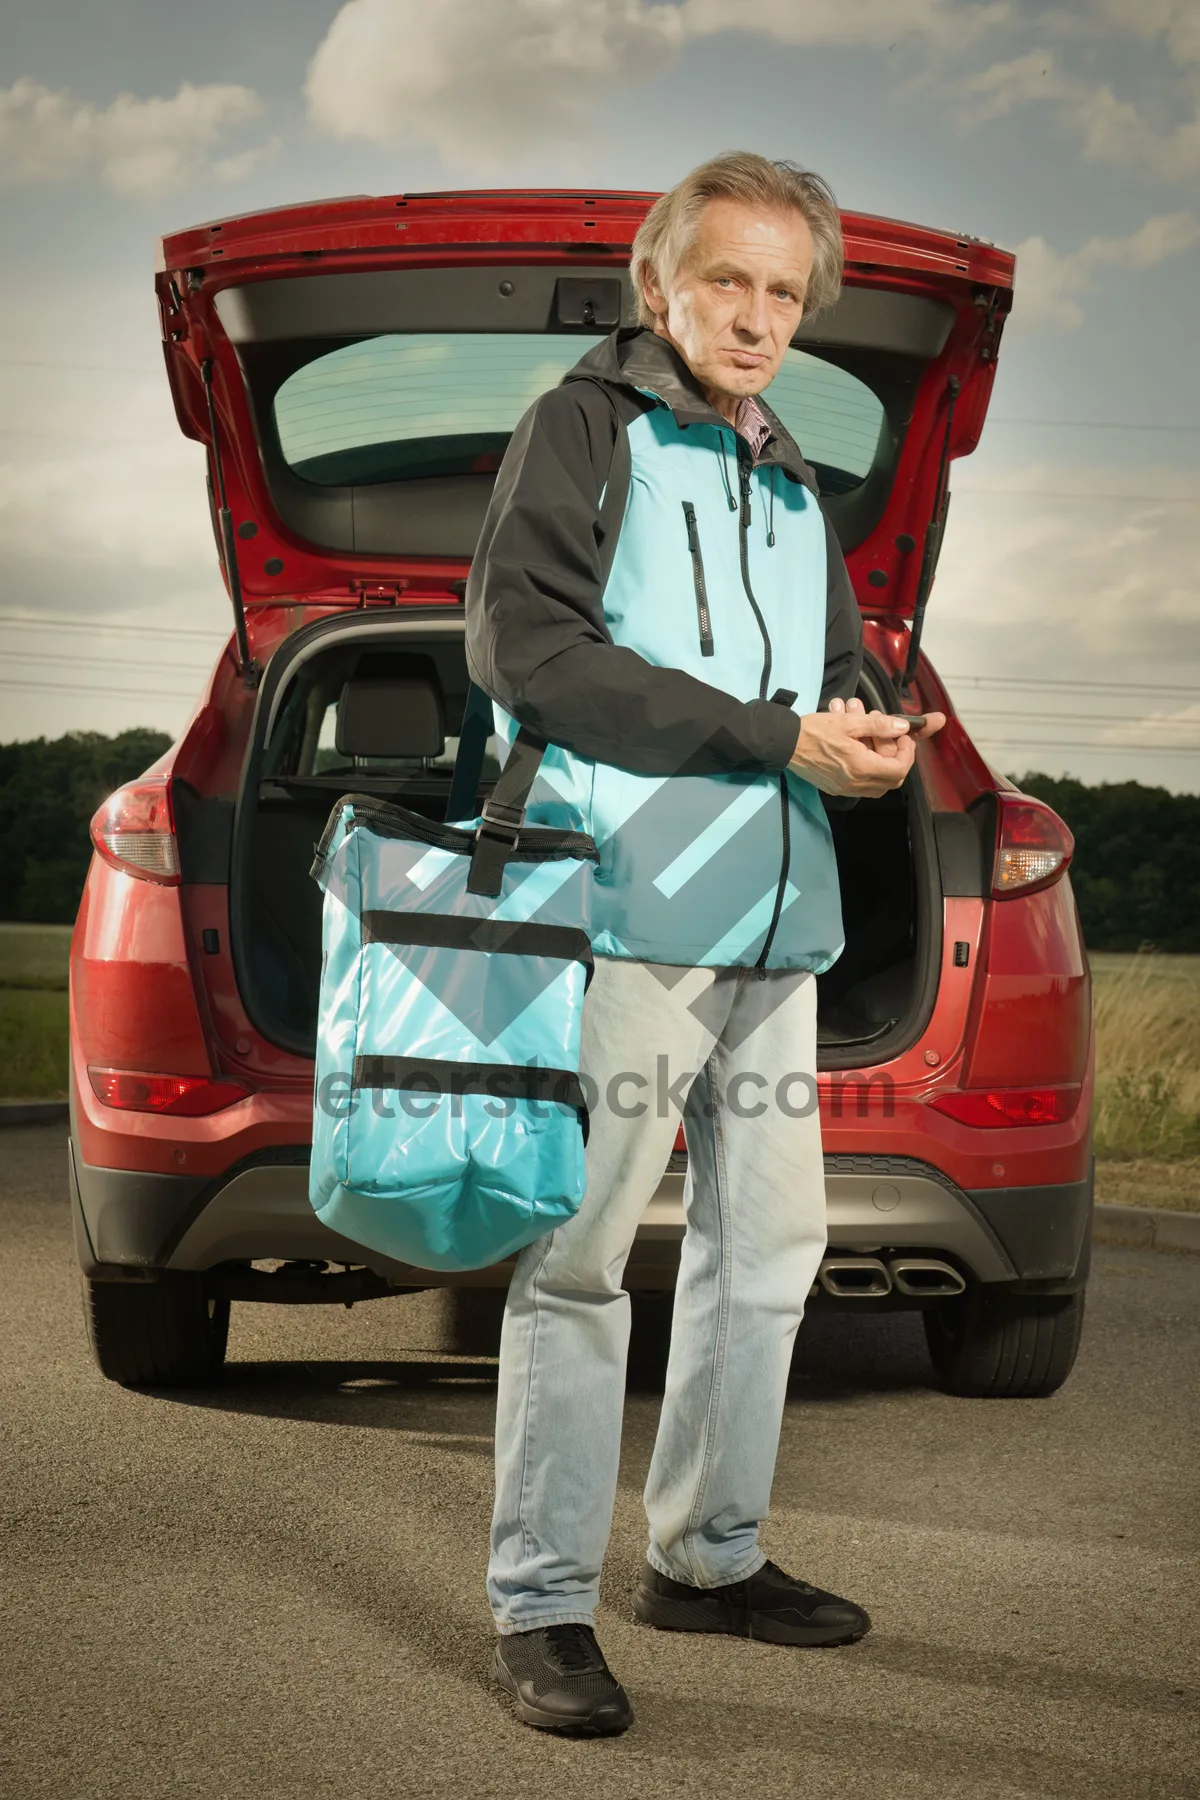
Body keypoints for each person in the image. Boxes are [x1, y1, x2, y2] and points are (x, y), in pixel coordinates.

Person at [464, 149, 945, 1737]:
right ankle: (542, 1602)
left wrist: (872, 734)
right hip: (626, 905)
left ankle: (708, 1558)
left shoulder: (794, 478)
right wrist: (770, 735)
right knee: (588, 1255)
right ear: (660, 283)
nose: (754, 313)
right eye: (726, 279)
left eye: (784, 290)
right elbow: (526, 651)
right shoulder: (585, 427)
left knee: (772, 1255)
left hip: (777, 918)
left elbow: (833, 671)